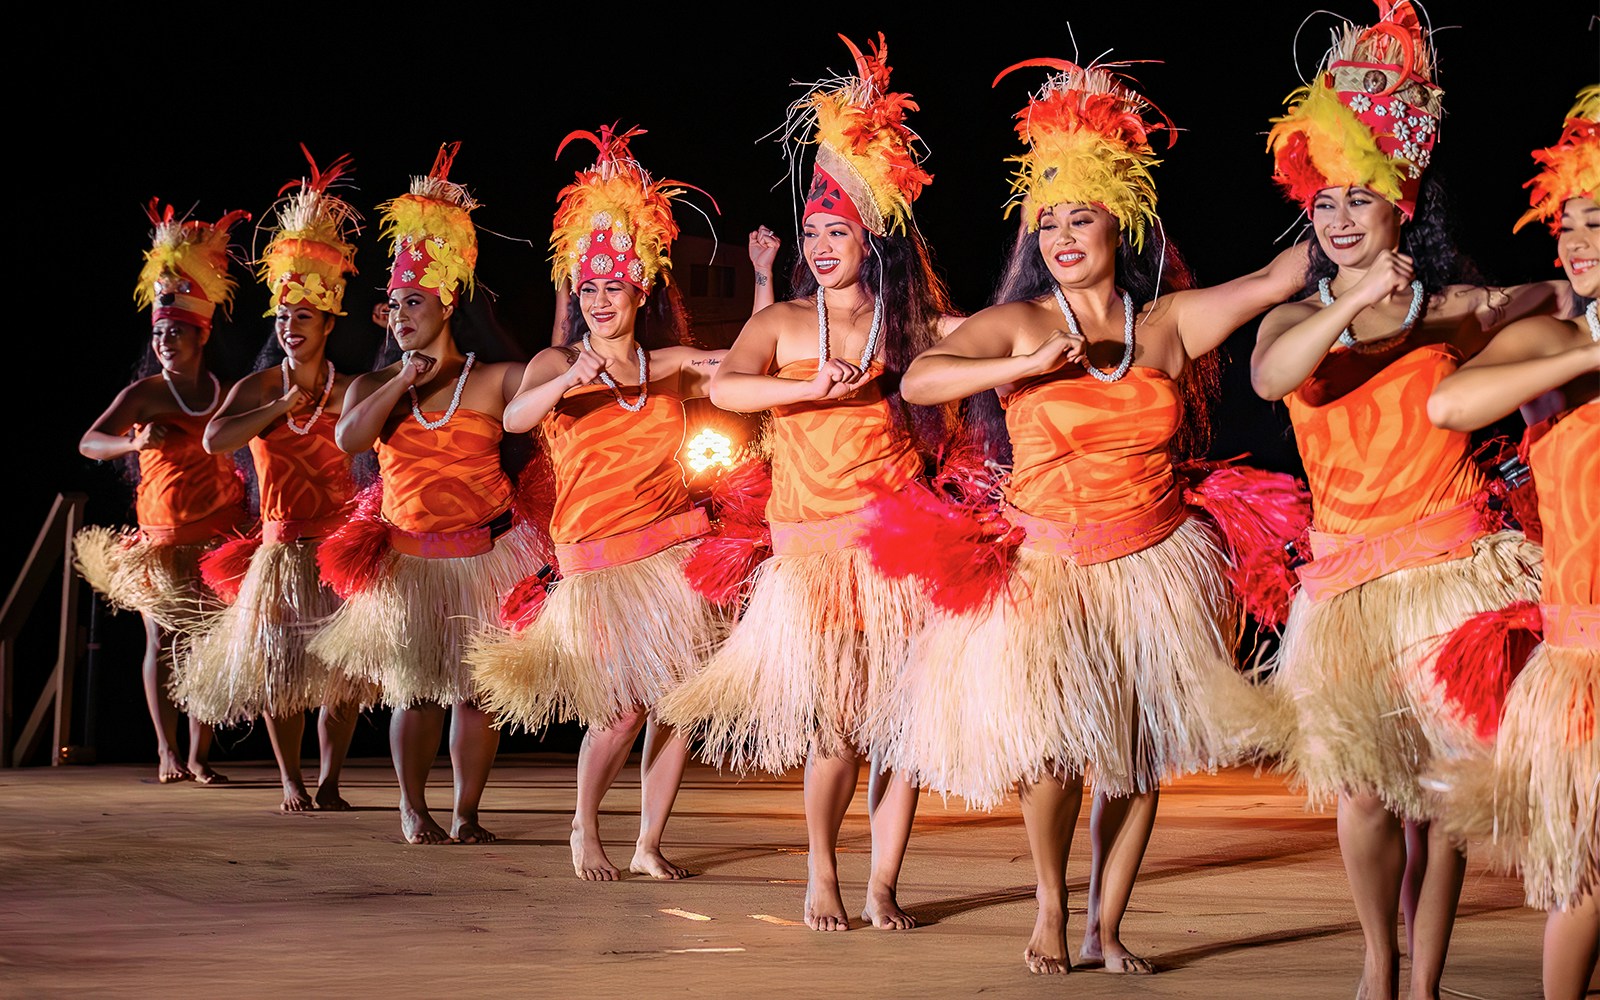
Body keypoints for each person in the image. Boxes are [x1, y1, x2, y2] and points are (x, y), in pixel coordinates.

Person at [879, 52, 1309, 976]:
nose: (1064, 234)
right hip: (1048, 569)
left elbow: (1276, 281)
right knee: (1054, 753)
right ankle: (1050, 903)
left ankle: (1107, 925)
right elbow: (921, 377)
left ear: (1123, 221)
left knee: (1137, 751)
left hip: (1150, 557)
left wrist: (1345, 191)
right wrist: (1016, 371)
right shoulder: (1025, 322)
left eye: (1082, 217)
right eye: (1050, 220)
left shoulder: (1168, 323)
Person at [1252, 5, 1567, 996]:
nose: (1340, 219)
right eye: (1326, 204)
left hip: (1450, 571)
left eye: (1360, 200)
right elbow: (1273, 381)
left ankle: (1423, 978)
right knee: (1361, 792)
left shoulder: (1454, 308)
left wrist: (1542, 300)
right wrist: (1346, 299)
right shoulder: (1290, 316)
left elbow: (1545, 302)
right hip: (1346, 582)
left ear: (1401, 203)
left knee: (1437, 794)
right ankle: (1376, 966)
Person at [659, 33, 958, 932]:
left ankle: (883, 884)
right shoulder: (787, 322)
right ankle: (824, 873)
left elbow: (985, 342)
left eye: (838, 233)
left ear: (872, 240)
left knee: (900, 732)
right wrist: (800, 384)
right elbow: (724, 387)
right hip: (812, 553)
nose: (822, 246)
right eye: (814, 234)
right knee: (836, 730)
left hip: (897, 543)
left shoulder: (912, 321)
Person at [469, 124, 727, 881]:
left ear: (639, 290)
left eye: (614, 286)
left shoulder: (667, 364)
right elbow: (515, 420)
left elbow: (735, 368)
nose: (601, 300)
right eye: (589, 288)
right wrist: (566, 379)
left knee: (681, 705)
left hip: (671, 557)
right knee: (619, 711)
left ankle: (648, 840)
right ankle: (585, 827)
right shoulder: (555, 364)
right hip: (600, 568)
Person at [307, 144, 548, 844]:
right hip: (407, 559)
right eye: (393, 305)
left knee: (476, 690)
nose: (401, 313)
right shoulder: (372, 387)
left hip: (485, 551)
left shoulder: (496, 377)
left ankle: (467, 812)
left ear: (447, 303)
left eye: (415, 302)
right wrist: (399, 381)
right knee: (413, 689)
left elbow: (539, 406)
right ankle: (413, 809)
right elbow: (352, 440)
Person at [1424, 87, 1597, 1000]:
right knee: (1586, 868)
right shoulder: (1550, 338)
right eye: (1568, 224)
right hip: (1585, 654)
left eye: (1597, 223)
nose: (1576, 243)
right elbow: (1450, 405)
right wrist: (1589, 354)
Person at [172, 147, 371, 812]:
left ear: (328, 322)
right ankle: (291, 781)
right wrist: (278, 409)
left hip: (337, 549)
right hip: (282, 551)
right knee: (284, 672)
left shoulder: (348, 391)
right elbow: (214, 438)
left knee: (341, 675)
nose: (290, 327)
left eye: (303, 317)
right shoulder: (260, 385)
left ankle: (332, 781)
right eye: (284, 317)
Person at [75, 202, 250, 785]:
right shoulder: (145, 394)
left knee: (206, 640)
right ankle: (166, 752)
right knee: (163, 640)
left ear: (200, 333)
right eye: (158, 333)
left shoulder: (227, 391)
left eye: (176, 331)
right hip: (163, 536)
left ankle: (199, 755)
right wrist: (131, 444)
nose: (165, 340)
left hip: (219, 535)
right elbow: (88, 442)